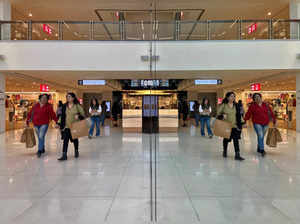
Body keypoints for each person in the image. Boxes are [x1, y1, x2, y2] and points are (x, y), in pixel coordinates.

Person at [217, 92, 246, 161]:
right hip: (226, 126)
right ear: (227, 97)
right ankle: (225, 151)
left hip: (235, 125)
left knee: (236, 140)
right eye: (231, 96)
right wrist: (222, 116)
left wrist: (243, 122)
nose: (232, 98)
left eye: (233, 96)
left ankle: (237, 154)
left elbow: (239, 115)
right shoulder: (224, 105)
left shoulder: (236, 105)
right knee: (226, 139)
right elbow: (218, 114)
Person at [58, 93, 85, 161]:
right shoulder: (64, 106)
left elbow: (83, 114)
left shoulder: (77, 106)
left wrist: (78, 116)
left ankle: (76, 151)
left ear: (73, 98)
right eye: (67, 97)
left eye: (69, 97)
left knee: (75, 139)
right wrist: (58, 123)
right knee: (65, 140)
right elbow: (62, 116)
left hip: (75, 126)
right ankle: (64, 155)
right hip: (66, 126)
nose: (68, 98)